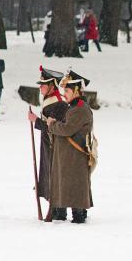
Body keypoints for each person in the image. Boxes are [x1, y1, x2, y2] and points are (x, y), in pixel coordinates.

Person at [47, 70, 94, 223]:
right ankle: (62, 212)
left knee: (75, 186)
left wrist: (52, 124)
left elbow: (66, 129)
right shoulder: (74, 107)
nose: (64, 93)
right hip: (68, 156)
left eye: (67, 90)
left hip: (74, 157)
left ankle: (78, 214)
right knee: (67, 184)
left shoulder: (80, 108)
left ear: (76, 91)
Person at [27, 67, 69, 209]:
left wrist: (36, 121)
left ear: (52, 86)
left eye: (43, 85)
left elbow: (55, 128)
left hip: (55, 146)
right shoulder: (50, 100)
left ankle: (57, 208)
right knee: (49, 174)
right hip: (47, 144)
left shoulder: (59, 103)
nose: (40, 87)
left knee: (55, 176)